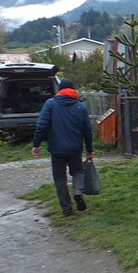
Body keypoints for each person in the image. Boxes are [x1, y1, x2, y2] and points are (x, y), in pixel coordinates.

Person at [31, 79, 95, 216]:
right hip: (75, 147)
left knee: (60, 177)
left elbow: (42, 125)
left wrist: (36, 144)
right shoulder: (80, 107)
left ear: (59, 89)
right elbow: (87, 131)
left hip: (56, 148)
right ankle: (78, 192)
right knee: (78, 171)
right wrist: (90, 150)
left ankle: (67, 209)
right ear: (72, 89)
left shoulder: (51, 104)